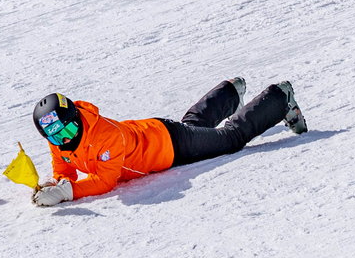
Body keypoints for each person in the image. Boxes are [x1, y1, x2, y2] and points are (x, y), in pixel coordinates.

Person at [30, 78, 307, 206]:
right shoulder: (60, 138)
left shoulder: (105, 136)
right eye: (54, 137)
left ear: (75, 120)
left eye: (65, 133)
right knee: (193, 126)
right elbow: (65, 165)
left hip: (171, 146)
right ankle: (229, 93)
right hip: (159, 132)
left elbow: (105, 181)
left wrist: (69, 193)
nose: (61, 140)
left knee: (230, 139)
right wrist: (56, 183)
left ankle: (278, 98)